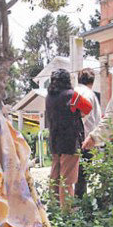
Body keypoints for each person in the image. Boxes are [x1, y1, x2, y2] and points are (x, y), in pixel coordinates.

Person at [45, 69, 86, 208]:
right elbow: (88, 108)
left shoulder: (49, 97)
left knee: (55, 177)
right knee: (67, 180)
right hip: (70, 141)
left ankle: (53, 208)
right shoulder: (72, 95)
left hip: (55, 141)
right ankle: (66, 213)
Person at [74, 68, 101, 197]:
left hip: (73, 138)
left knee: (70, 174)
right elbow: (82, 116)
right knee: (82, 175)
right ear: (92, 81)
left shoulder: (74, 92)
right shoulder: (89, 94)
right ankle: (79, 203)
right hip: (86, 139)